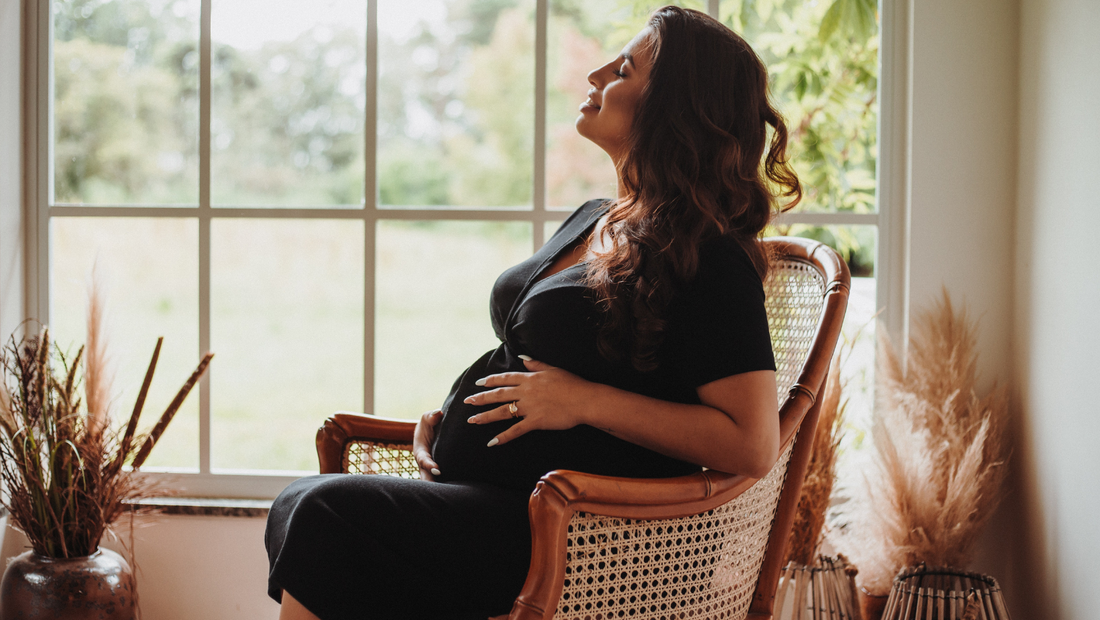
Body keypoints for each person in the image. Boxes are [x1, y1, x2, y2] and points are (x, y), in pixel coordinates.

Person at [265, 6, 801, 620]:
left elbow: (752, 442)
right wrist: (452, 420)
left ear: (673, 108)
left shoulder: (708, 257)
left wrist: (581, 401)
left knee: (325, 513)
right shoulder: (596, 218)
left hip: (586, 538)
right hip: (496, 500)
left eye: (624, 67)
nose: (597, 74)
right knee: (301, 502)